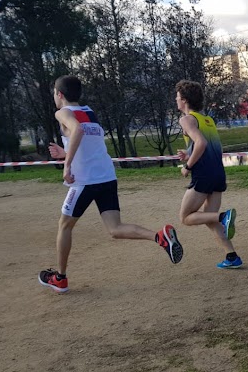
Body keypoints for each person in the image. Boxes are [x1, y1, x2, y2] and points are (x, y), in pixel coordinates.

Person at [39, 75, 182, 293]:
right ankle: (159, 236)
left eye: (54, 95)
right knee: (115, 229)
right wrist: (66, 153)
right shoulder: (90, 112)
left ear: (59, 94)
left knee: (64, 225)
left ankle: (60, 278)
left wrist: (67, 166)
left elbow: (76, 130)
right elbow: (89, 145)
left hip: (84, 181)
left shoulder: (62, 112)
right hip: (106, 176)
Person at [175, 80, 242, 269]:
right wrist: (189, 153)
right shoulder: (208, 120)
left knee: (186, 217)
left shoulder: (186, 119)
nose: (176, 100)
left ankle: (224, 216)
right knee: (210, 218)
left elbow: (202, 143)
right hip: (218, 173)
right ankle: (232, 256)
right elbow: (210, 148)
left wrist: (187, 166)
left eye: (177, 97)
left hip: (203, 175)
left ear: (185, 100)